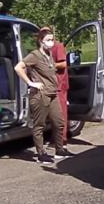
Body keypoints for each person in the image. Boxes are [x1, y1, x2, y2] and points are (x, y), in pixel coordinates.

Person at [15, 28, 71, 164]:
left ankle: (59, 150)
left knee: (59, 122)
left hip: (53, 93)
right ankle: (41, 153)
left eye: (52, 39)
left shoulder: (49, 54)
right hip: (40, 94)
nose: (51, 42)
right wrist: (31, 83)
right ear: (41, 41)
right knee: (39, 125)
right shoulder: (34, 55)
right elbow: (18, 67)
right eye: (48, 40)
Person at [50, 36, 71, 144]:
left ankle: (61, 140)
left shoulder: (58, 46)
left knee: (60, 113)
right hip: (48, 84)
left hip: (59, 85)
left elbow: (63, 64)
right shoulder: (42, 48)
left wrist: (48, 66)